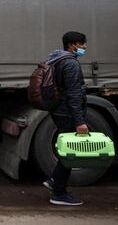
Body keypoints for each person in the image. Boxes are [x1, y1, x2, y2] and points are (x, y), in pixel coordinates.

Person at [42, 31, 89, 206]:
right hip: (67, 113)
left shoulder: (57, 59)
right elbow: (74, 94)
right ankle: (59, 193)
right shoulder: (71, 64)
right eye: (82, 44)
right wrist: (80, 122)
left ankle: (55, 180)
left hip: (59, 110)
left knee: (65, 149)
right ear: (73, 45)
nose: (84, 48)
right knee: (71, 152)